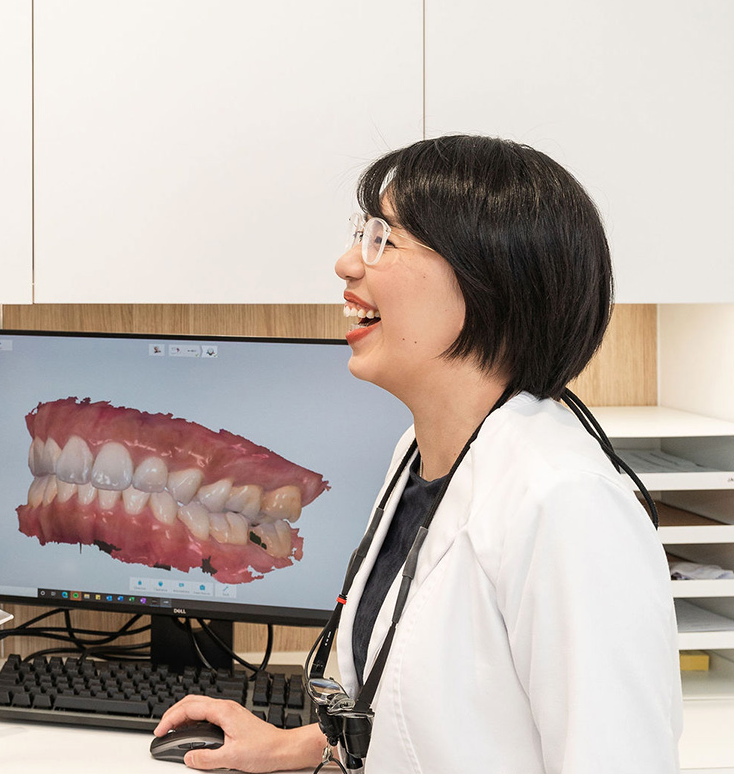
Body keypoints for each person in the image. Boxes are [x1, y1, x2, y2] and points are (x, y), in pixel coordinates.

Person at [154, 135, 681, 773]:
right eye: (362, 233)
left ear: (491, 282)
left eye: (384, 239)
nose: (349, 263)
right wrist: (296, 746)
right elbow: (435, 716)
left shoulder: (565, 502)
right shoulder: (422, 452)